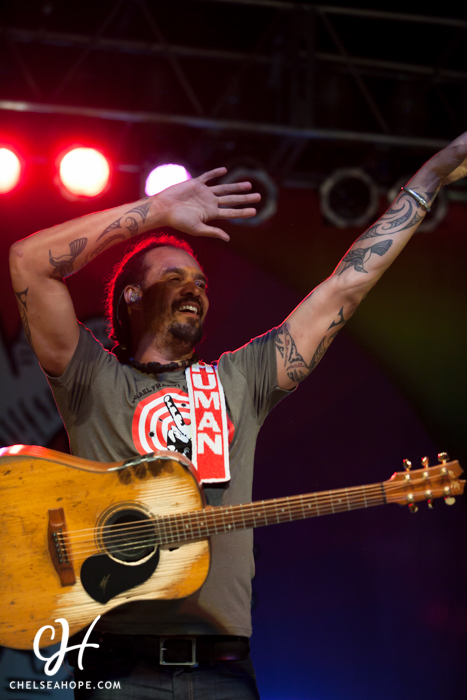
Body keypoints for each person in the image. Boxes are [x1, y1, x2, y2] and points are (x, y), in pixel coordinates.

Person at [9, 135, 467, 699]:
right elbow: (29, 263)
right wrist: (156, 211)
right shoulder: (91, 379)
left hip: (224, 670)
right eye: (174, 276)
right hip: (118, 668)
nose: (194, 288)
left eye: (201, 282)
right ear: (131, 295)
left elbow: (345, 288)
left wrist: (429, 180)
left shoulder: (238, 382)